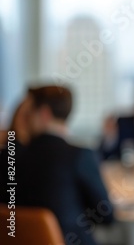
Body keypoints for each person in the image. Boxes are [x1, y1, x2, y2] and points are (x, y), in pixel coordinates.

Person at [0, 85, 114, 245]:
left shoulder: (12, 156)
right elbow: (107, 215)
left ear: (44, 113)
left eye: (29, 112)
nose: (26, 117)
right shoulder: (79, 155)